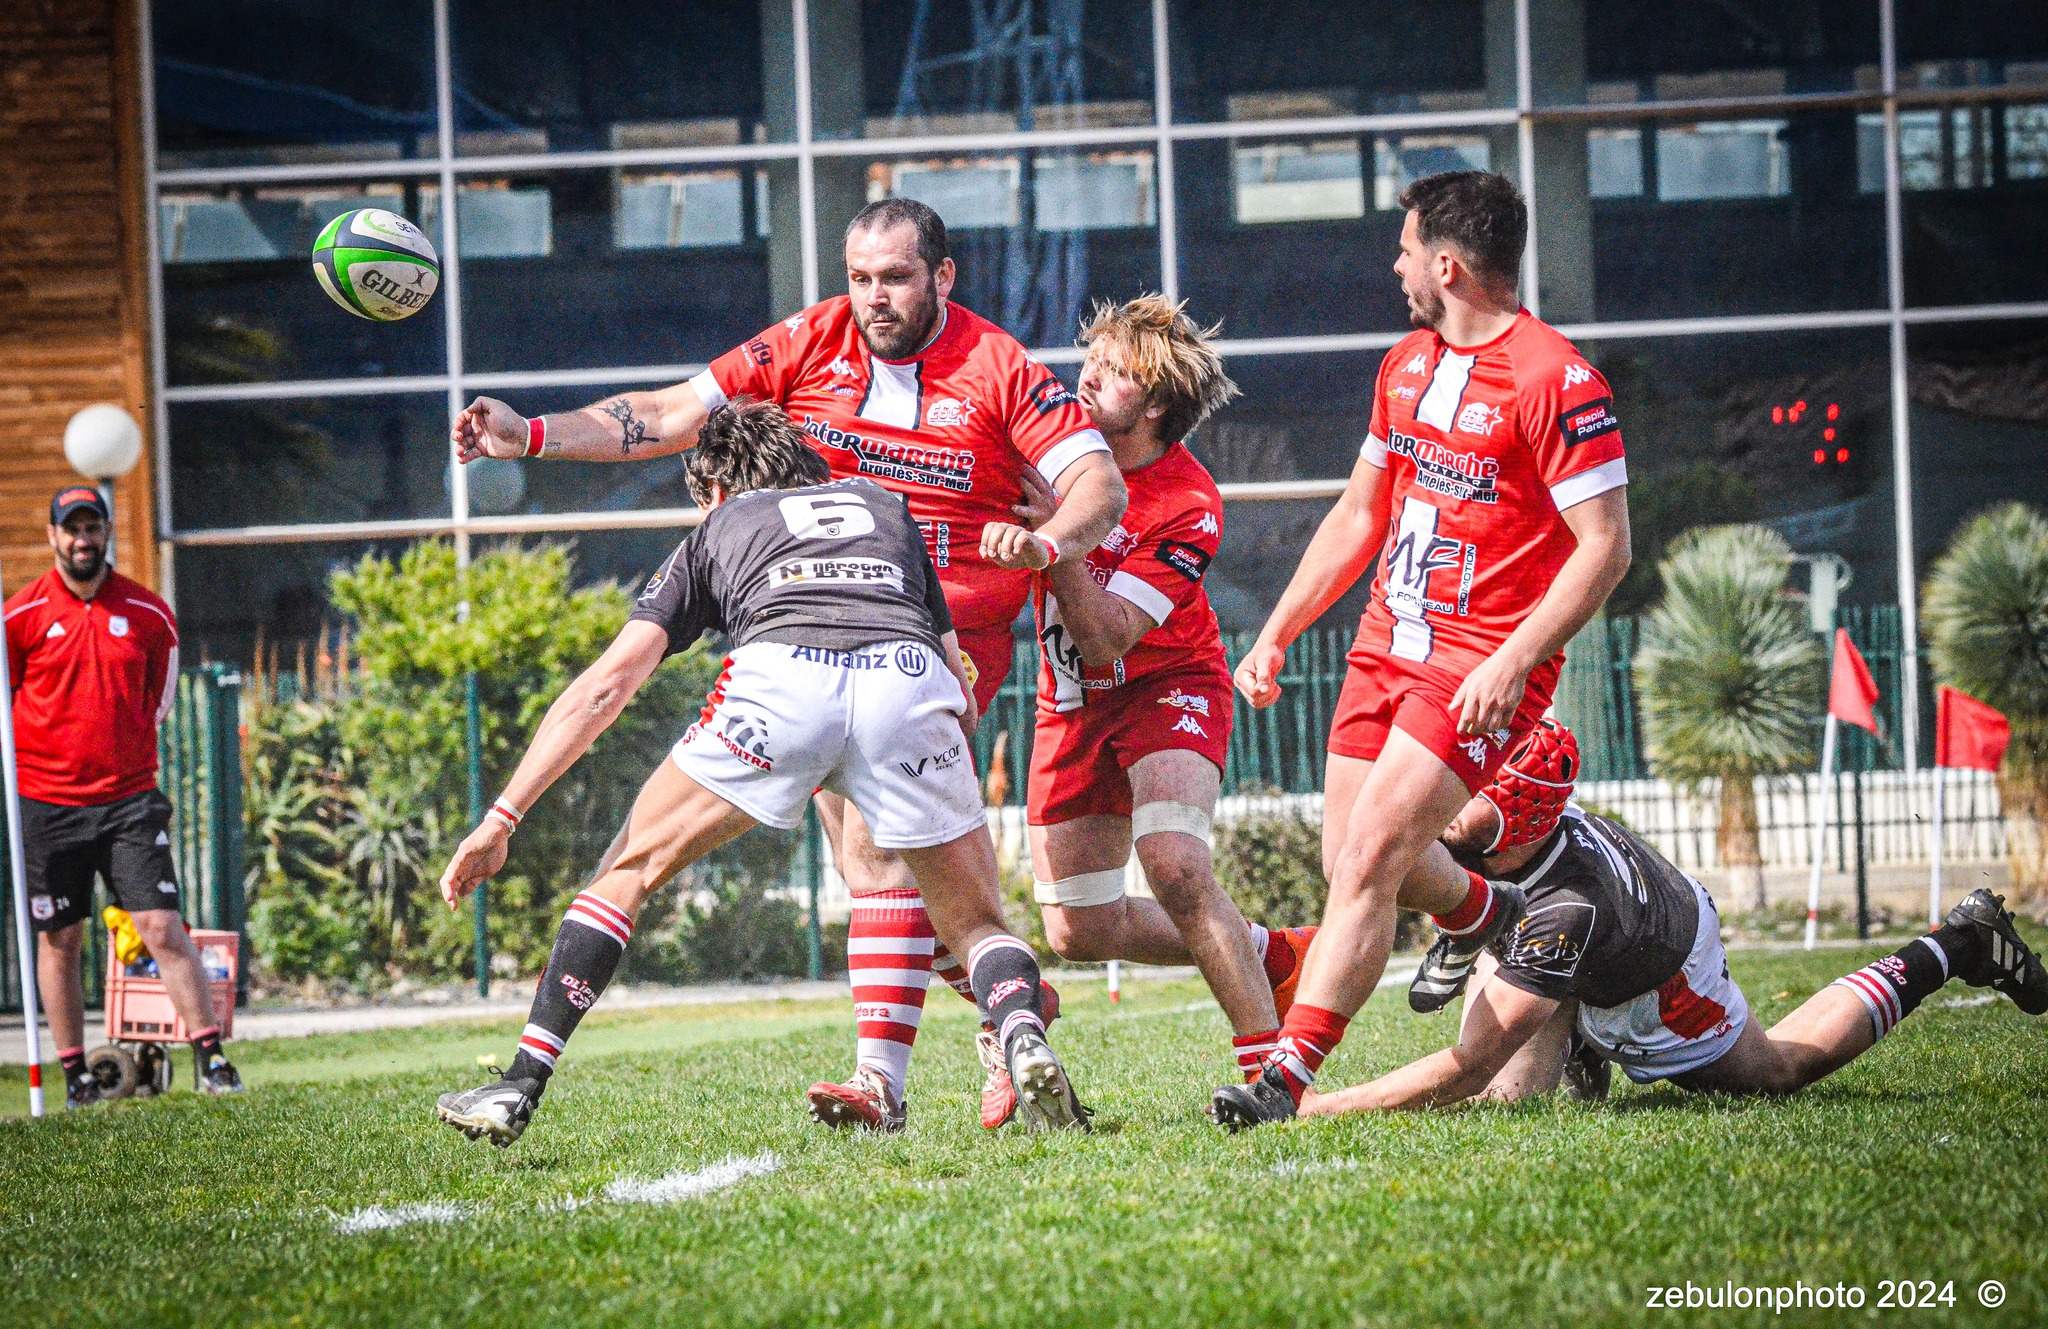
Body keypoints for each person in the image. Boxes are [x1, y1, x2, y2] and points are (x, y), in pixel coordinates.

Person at [451, 197, 1124, 1131]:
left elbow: (1100, 483)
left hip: (940, 639)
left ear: (943, 277)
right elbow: (667, 413)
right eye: (859, 279)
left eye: (895, 278)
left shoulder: (998, 366)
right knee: (901, 878)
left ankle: (899, 1072)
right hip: (903, 656)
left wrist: (1045, 546)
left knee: (875, 863)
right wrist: (533, 434)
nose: (874, 299)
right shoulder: (808, 342)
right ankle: (1004, 1012)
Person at [1212, 170, 1633, 1130]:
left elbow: (1607, 548)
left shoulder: (1557, 380)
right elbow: (1362, 512)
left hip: (1478, 660)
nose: (1394, 265)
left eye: (1404, 249)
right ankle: (1506, 924)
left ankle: (1284, 1079)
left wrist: (1514, 659)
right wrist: (1278, 632)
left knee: (1371, 857)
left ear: (1447, 264)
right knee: (1354, 860)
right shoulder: (1404, 364)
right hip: (1380, 648)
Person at [1296, 719, 2048, 1115]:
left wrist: (1323, 1109)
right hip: (1575, 928)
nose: (1445, 792)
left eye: (1469, 788)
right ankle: (1567, 1013)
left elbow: (1464, 1071)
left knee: (1779, 1071)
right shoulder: (1508, 834)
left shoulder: (1565, 908)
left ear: (1516, 816)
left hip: (1664, 974)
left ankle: (1959, 944)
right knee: (1516, 1103)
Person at [969, 294, 1314, 1128]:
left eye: (1114, 371)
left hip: (1168, 683)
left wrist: (1057, 541)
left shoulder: (1188, 502)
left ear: (1155, 405)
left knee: (1176, 865)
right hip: (1072, 705)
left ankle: (1269, 1078)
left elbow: (1108, 641)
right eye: (1092, 357)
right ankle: (1269, 952)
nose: (1086, 376)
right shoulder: (1047, 441)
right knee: (1076, 933)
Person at [3, 486, 242, 1106]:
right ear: (53, 536)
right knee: (61, 937)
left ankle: (212, 1059)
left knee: (161, 925)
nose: (83, 540)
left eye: (93, 528)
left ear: (106, 533)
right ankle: (76, 1074)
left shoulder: (148, 612)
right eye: (71, 529)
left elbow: (160, 698)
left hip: (129, 799)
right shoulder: (20, 617)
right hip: (47, 801)